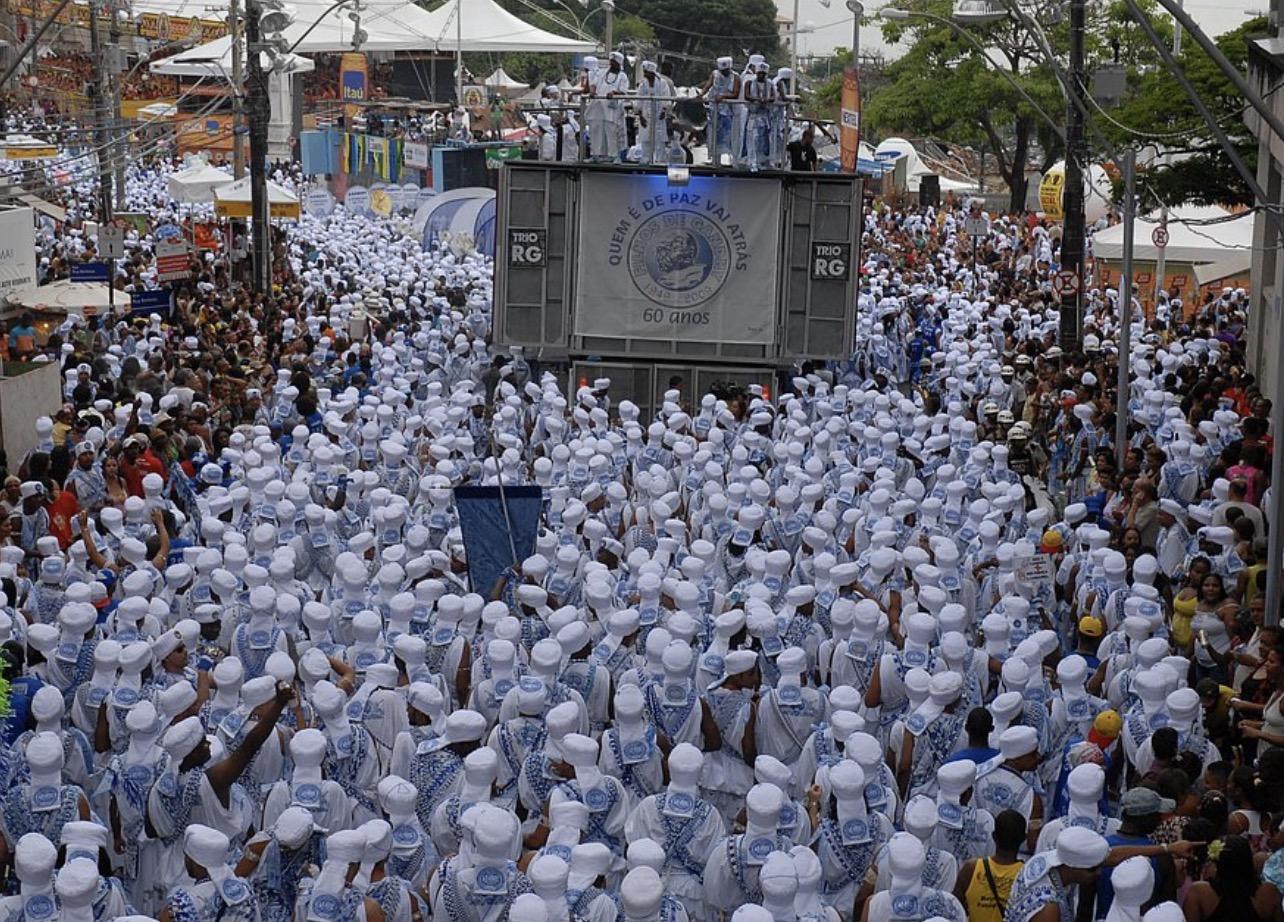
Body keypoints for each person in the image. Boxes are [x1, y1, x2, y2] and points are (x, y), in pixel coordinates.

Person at [956, 810, 1027, 922]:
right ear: (1023, 839)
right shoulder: (1028, 876)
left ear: (994, 836)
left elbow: (954, 909)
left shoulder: (970, 869)